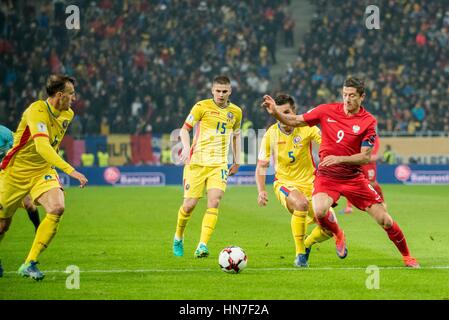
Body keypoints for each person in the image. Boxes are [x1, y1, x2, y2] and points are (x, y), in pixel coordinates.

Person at [262, 77, 419, 268]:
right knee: (320, 210)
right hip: (327, 176)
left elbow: (365, 157)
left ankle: (407, 257)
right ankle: (339, 234)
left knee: (384, 219)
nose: (347, 99)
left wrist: (339, 158)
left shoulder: (368, 121)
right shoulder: (326, 110)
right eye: (345, 94)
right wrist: (275, 114)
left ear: (362, 97)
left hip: (354, 178)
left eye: (352, 95)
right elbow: (294, 120)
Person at [0, 74, 88, 280]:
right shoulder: (36, 111)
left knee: (57, 207)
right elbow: (42, 147)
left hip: (42, 171)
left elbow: (48, 151)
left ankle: (29, 263)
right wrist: (71, 170)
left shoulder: (68, 114)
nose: (74, 98)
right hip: (15, 172)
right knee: (3, 225)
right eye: (71, 94)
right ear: (60, 95)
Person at [255, 94, 333, 267]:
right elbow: (261, 165)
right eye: (280, 113)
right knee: (301, 204)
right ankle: (300, 255)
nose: (284, 118)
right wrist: (261, 190)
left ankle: (306, 244)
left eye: (287, 112)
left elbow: (327, 143)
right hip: (285, 184)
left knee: (329, 229)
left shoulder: (307, 128)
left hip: (312, 184)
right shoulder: (271, 134)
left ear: (294, 112)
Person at [173, 75, 242, 258]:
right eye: (218, 91)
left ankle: (202, 245)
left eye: (224, 91)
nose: (221, 94)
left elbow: (236, 136)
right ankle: (178, 236)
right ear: (212, 90)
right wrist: (187, 149)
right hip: (196, 162)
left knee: (215, 201)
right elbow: (184, 129)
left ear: (230, 91)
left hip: (219, 164)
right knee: (189, 206)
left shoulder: (236, 112)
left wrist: (237, 160)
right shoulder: (201, 107)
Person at [0, 125, 41, 232]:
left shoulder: (4, 132)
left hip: (12, 174)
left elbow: (18, 146)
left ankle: (38, 228)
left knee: (29, 204)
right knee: (3, 224)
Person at [341, 135, 385, 214]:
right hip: (358, 162)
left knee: (372, 183)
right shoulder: (356, 133)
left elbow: (372, 154)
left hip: (368, 164)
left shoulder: (373, 137)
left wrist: (371, 157)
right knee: (351, 182)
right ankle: (349, 207)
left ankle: (382, 202)